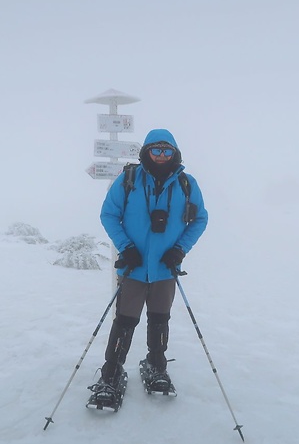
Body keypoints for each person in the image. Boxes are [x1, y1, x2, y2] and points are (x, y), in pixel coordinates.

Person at [90, 128, 208, 401]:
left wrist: (179, 250)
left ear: (175, 152)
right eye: (156, 150)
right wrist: (127, 247)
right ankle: (111, 372)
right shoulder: (129, 180)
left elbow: (200, 219)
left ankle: (157, 365)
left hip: (165, 270)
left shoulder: (186, 184)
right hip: (134, 268)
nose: (162, 155)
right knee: (125, 321)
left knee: (159, 320)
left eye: (167, 150)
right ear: (146, 151)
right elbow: (109, 214)